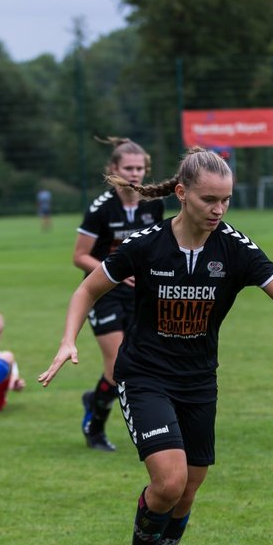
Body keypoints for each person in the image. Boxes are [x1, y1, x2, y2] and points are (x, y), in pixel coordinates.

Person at [39, 147, 273, 545]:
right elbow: (88, 288)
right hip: (144, 376)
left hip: (199, 382)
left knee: (189, 487)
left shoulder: (235, 248)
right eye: (208, 199)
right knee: (169, 480)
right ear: (181, 194)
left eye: (226, 200)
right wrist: (67, 340)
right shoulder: (146, 244)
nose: (218, 210)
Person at [72, 137, 166, 452]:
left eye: (140, 168)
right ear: (113, 170)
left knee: (145, 360)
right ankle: (95, 426)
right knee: (116, 367)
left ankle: (96, 399)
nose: (135, 173)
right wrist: (114, 271)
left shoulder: (153, 203)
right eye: (128, 168)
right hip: (103, 293)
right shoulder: (101, 208)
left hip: (139, 294)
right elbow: (80, 256)